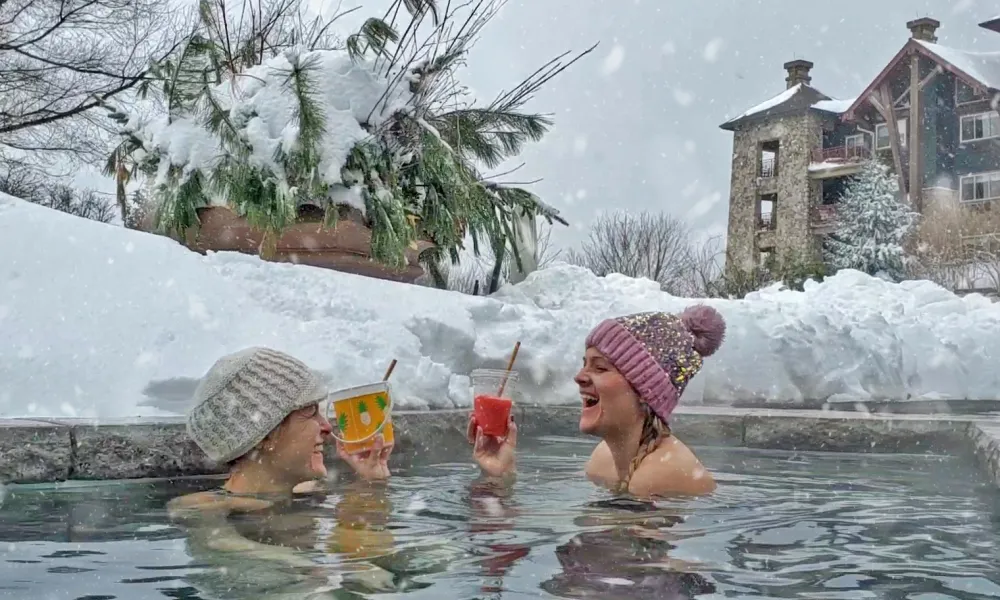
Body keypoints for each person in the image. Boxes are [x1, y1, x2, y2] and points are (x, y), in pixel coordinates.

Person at [469, 306, 725, 497]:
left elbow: (608, 558)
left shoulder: (661, 474)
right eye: (584, 365)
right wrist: (500, 476)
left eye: (600, 368)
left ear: (645, 393)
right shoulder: (603, 459)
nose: (579, 378)